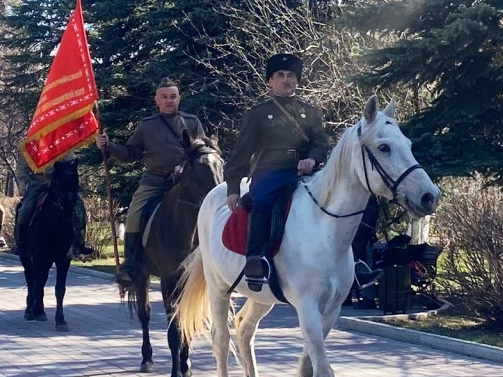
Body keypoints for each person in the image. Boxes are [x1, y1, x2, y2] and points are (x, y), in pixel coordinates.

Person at [224, 54, 330, 289]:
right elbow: (240, 155)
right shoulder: (258, 114)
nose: (286, 80)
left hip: (305, 173)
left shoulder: (310, 111)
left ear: (297, 80)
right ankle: (256, 259)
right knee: (261, 200)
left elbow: (321, 142)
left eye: (291, 75)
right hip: (270, 173)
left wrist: (312, 158)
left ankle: (354, 264)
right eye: (280, 75)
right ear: (270, 81)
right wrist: (233, 189)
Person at [96, 77, 208, 284]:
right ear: (156, 100)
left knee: (211, 211)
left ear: (179, 98)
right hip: (155, 181)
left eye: (173, 97)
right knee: (134, 215)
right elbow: (130, 154)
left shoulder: (192, 122)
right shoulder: (147, 126)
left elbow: (202, 151)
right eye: (164, 97)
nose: (169, 101)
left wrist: (185, 167)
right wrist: (109, 145)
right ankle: (131, 264)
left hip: (186, 182)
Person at [14, 151, 90, 256]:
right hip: (37, 181)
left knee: (79, 207)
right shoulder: (29, 148)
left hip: (60, 183)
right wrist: (23, 183)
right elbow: (22, 169)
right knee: (25, 209)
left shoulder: (61, 144)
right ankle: (21, 242)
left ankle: (79, 242)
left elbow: (70, 164)